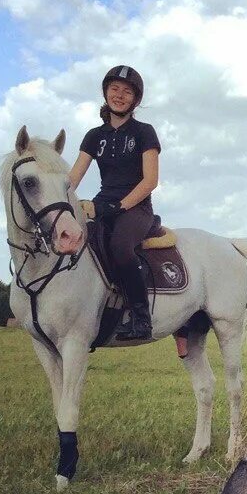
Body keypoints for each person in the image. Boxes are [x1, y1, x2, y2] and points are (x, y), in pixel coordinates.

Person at [67, 65, 161, 340]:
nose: (119, 95)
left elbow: (150, 181)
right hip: (100, 202)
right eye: (114, 89)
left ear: (136, 100)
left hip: (136, 207)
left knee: (120, 247)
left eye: (127, 92)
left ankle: (141, 319)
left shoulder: (144, 132)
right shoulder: (94, 136)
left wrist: (117, 207)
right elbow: (72, 178)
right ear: (106, 92)